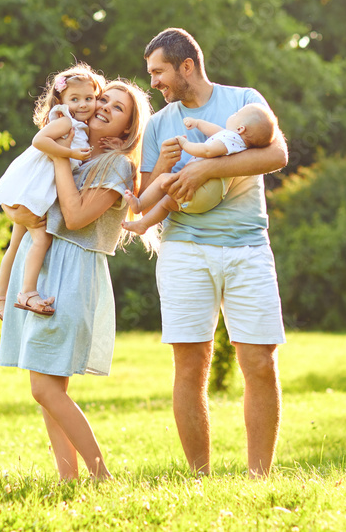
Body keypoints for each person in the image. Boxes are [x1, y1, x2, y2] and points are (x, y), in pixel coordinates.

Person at [140, 28, 288, 478]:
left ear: (187, 66)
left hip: (247, 247)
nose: (154, 83)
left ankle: (259, 477)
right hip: (184, 249)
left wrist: (207, 166)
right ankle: (200, 478)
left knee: (259, 362)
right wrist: (165, 169)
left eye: (159, 72)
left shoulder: (244, 99)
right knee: (190, 364)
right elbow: (143, 197)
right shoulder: (161, 123)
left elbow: (277, 154)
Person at [0, 80, 153, 481]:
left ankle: (101, 476)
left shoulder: (117, 165)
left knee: (45, 389)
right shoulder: (79, 152)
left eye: (116, 108)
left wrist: (62, 155)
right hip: (47, 265)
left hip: (73, 272)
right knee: (48, 389)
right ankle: (69, 480)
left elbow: (75, 217)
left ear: (125, 130)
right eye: (103, 99)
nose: (102, 107)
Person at [0, 65, 105, 319]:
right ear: (60, 100)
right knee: (41, 239)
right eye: (75, 99)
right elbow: (39, 141)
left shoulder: (78, 125)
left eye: (89, 98)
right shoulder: (64, 121)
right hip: (32, 191)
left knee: (15, 245)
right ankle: (27, 292)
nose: (83, 104)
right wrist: (70, 153)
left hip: (30, 192)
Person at [122, 103, 277, 235]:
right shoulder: (235, 142)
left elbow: (207, 150)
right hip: (209, 198)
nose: (233, 114)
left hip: (203, 191)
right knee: (167, 203)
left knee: (163, 180)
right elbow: (215, 131)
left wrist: (185, 145)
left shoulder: (231, 139)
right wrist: (197, 123)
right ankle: (143, 225)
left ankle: (139, 204)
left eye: (237, 114)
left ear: (241, 128)